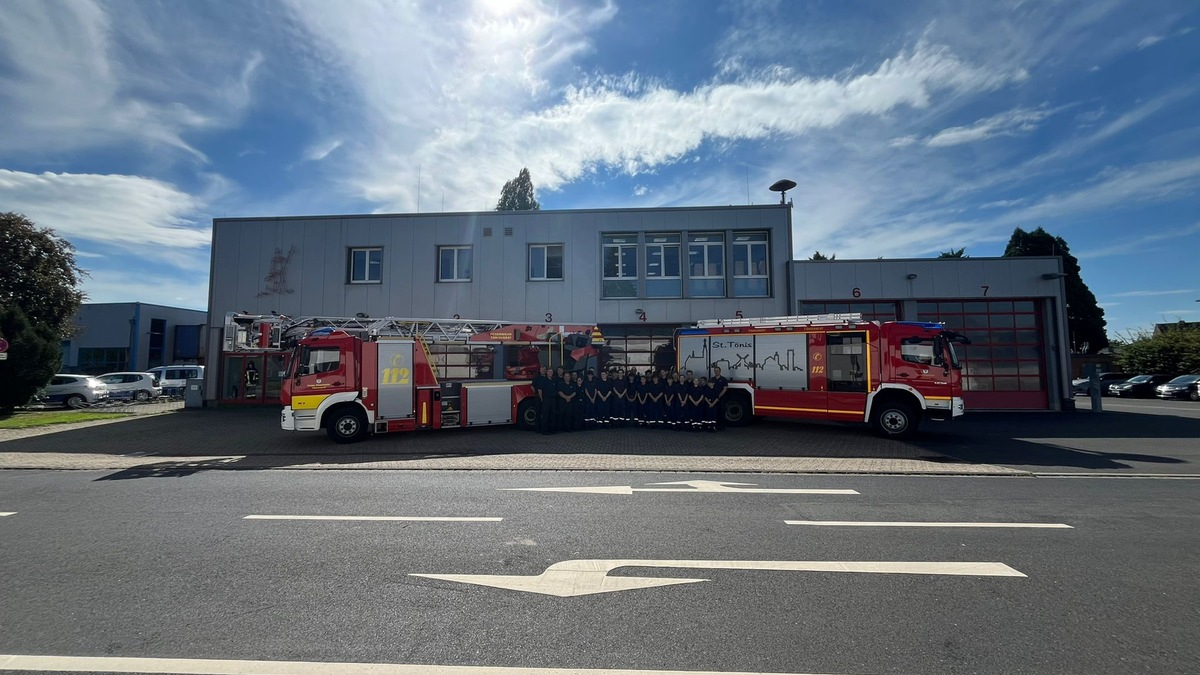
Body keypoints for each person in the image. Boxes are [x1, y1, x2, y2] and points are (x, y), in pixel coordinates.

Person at [539, 366, 558, 434]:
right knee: (545, 415)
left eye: (551, 372)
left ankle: (551, 430)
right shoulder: (544, 380)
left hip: (553, 399)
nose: (550, 373)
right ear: (547, 372)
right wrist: (541, 398)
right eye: (549, 372)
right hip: (546, 399)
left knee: (552, 415)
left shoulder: (554, 380)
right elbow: (540, 390)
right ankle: (544, 430)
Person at [533, 366, 551, 434]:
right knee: (538, 413)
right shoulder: (537, 378)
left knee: (545, 414)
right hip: (538, 398)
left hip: (546, 398)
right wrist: (536, 394)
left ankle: (544, 428)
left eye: (544, 369)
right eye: (542, 369)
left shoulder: (547, 378)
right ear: (539, 370)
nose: (543, 370)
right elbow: (532, 386)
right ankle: (537, 428)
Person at [711, 365, 729, 431]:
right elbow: (710, 388)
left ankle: (722, 426)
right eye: (715, 371)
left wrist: (719, 396)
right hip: (714, 399)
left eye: (717, 370)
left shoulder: (723, 379)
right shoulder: (712, 379)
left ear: (720, 371)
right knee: (715, 412)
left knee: (722, 412)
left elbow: (725, 389)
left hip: (721, 399)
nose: (716, 372)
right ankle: (716, 426)